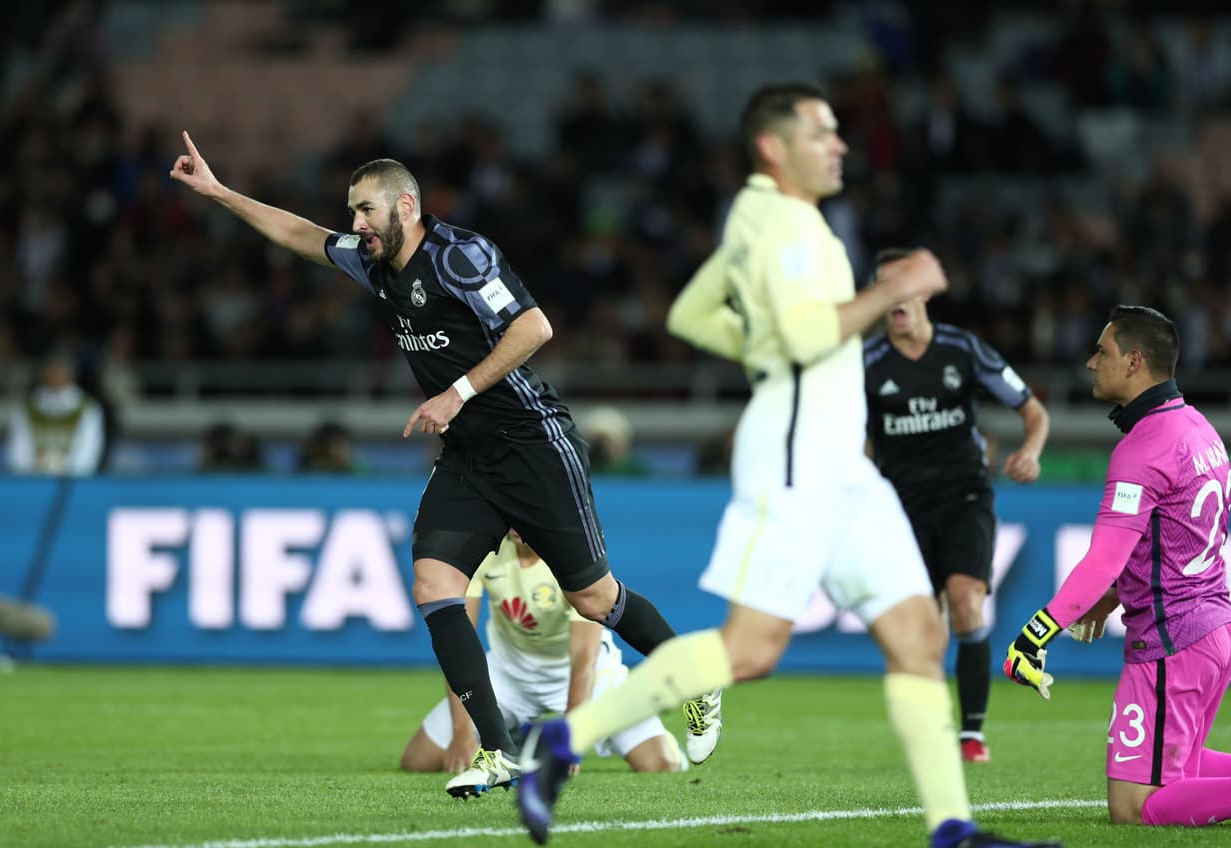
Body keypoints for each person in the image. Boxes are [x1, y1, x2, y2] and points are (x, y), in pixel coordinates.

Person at [516, 83, 1062, 848]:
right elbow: (807, 337)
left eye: (838, 131)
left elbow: (692, 315)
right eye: (822, 132)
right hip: (799, 456)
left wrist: (769, 355)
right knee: (751, 650)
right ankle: (564, 742)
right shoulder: (789, 229)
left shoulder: (764, 217)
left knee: (916, 638)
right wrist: (892, 290)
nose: (839, 144)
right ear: (775, 147)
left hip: (842, 459)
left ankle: (951, 827)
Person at [169, 132, 715, 798]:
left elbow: (534, 328)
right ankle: (499, 749)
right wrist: (221, 193)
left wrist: (456, 392)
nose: (356, 225)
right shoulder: (374, 264)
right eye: (352, 211)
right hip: (470, 456)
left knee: (593, 598)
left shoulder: (459, 255)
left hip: (531, 441)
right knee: (434, 584)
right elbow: (301, 235)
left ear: (406, 206)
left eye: (367, 210)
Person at [1003, 305, 1231, 828]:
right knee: (1185, 770)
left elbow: (1105, 555)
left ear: (1133, 361)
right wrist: (1116, 594)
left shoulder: (1142, 448)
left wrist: (1036, 634)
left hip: (1171, 641)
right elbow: (1188, 534)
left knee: (1133, 807)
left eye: (1101, 352)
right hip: (1212, 631)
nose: (1089, 363)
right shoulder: (1199, 429)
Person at [864, 248, 1050, 763]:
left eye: (902, 283)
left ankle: (971, 735)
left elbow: (1032, 411)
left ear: (923, 291)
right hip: (901, 506)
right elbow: (855, 440)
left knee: (967, 601)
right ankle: (929, 729)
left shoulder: (962, 350)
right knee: (923, 625)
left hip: (965, 494)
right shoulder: (867, 365)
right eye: (882, 287)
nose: (895, 297)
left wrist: (1029, 452)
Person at [400, 529, 686, 777]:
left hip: (586, 676)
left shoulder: (573, 553)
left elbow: (584, 662)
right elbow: (458, 644)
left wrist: (574, 735)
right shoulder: (484, 549)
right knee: (418, 760)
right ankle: (523, 737)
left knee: (661, 763)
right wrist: (462, 732)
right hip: (509, 674)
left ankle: (552, 734)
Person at [6, 352, 105, 476]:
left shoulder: (87, 407)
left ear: (71, 374)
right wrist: (38, 467)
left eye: (60, 370)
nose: (55, 375)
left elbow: (89, 452)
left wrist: (60, 466)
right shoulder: (27, 408)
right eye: (51, 370)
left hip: (73, 482)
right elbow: (18, 452)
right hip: (33, 480)